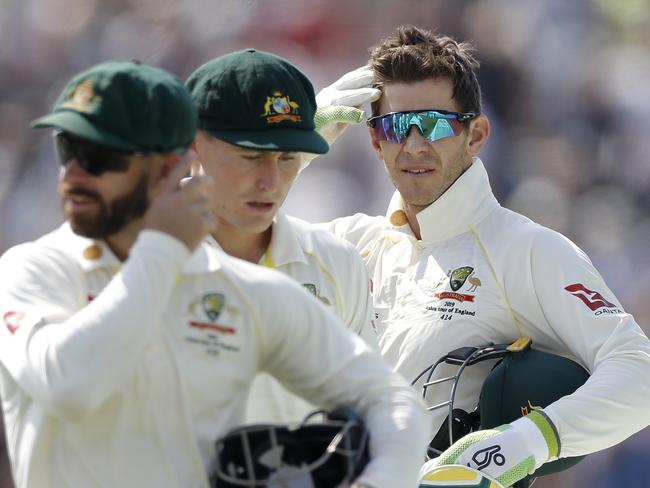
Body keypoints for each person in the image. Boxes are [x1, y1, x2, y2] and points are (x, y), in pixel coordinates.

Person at [0, 59, 430, 488]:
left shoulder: (240, 289)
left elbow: (392, 402)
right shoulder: (33, 269)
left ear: (168, 166)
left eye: (96, 158)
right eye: (66, 150)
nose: (72, 173)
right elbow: (69, 386)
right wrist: (162, 251)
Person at [314, 25, 650, 487]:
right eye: (394, 126)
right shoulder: (349, 242)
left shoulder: (525, 250)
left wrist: (525, 443)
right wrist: (290, 153)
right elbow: (201, 254)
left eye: (433, 124)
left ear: (476, 135)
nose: (413, 145)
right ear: (375, 142)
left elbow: (639, 373)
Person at [184, 48, 380, 425]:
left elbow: (368, 412)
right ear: (195, 143)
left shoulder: (336, 264)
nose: (271, 182)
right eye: (251, 155)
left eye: (289, 156)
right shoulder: (133, 255)